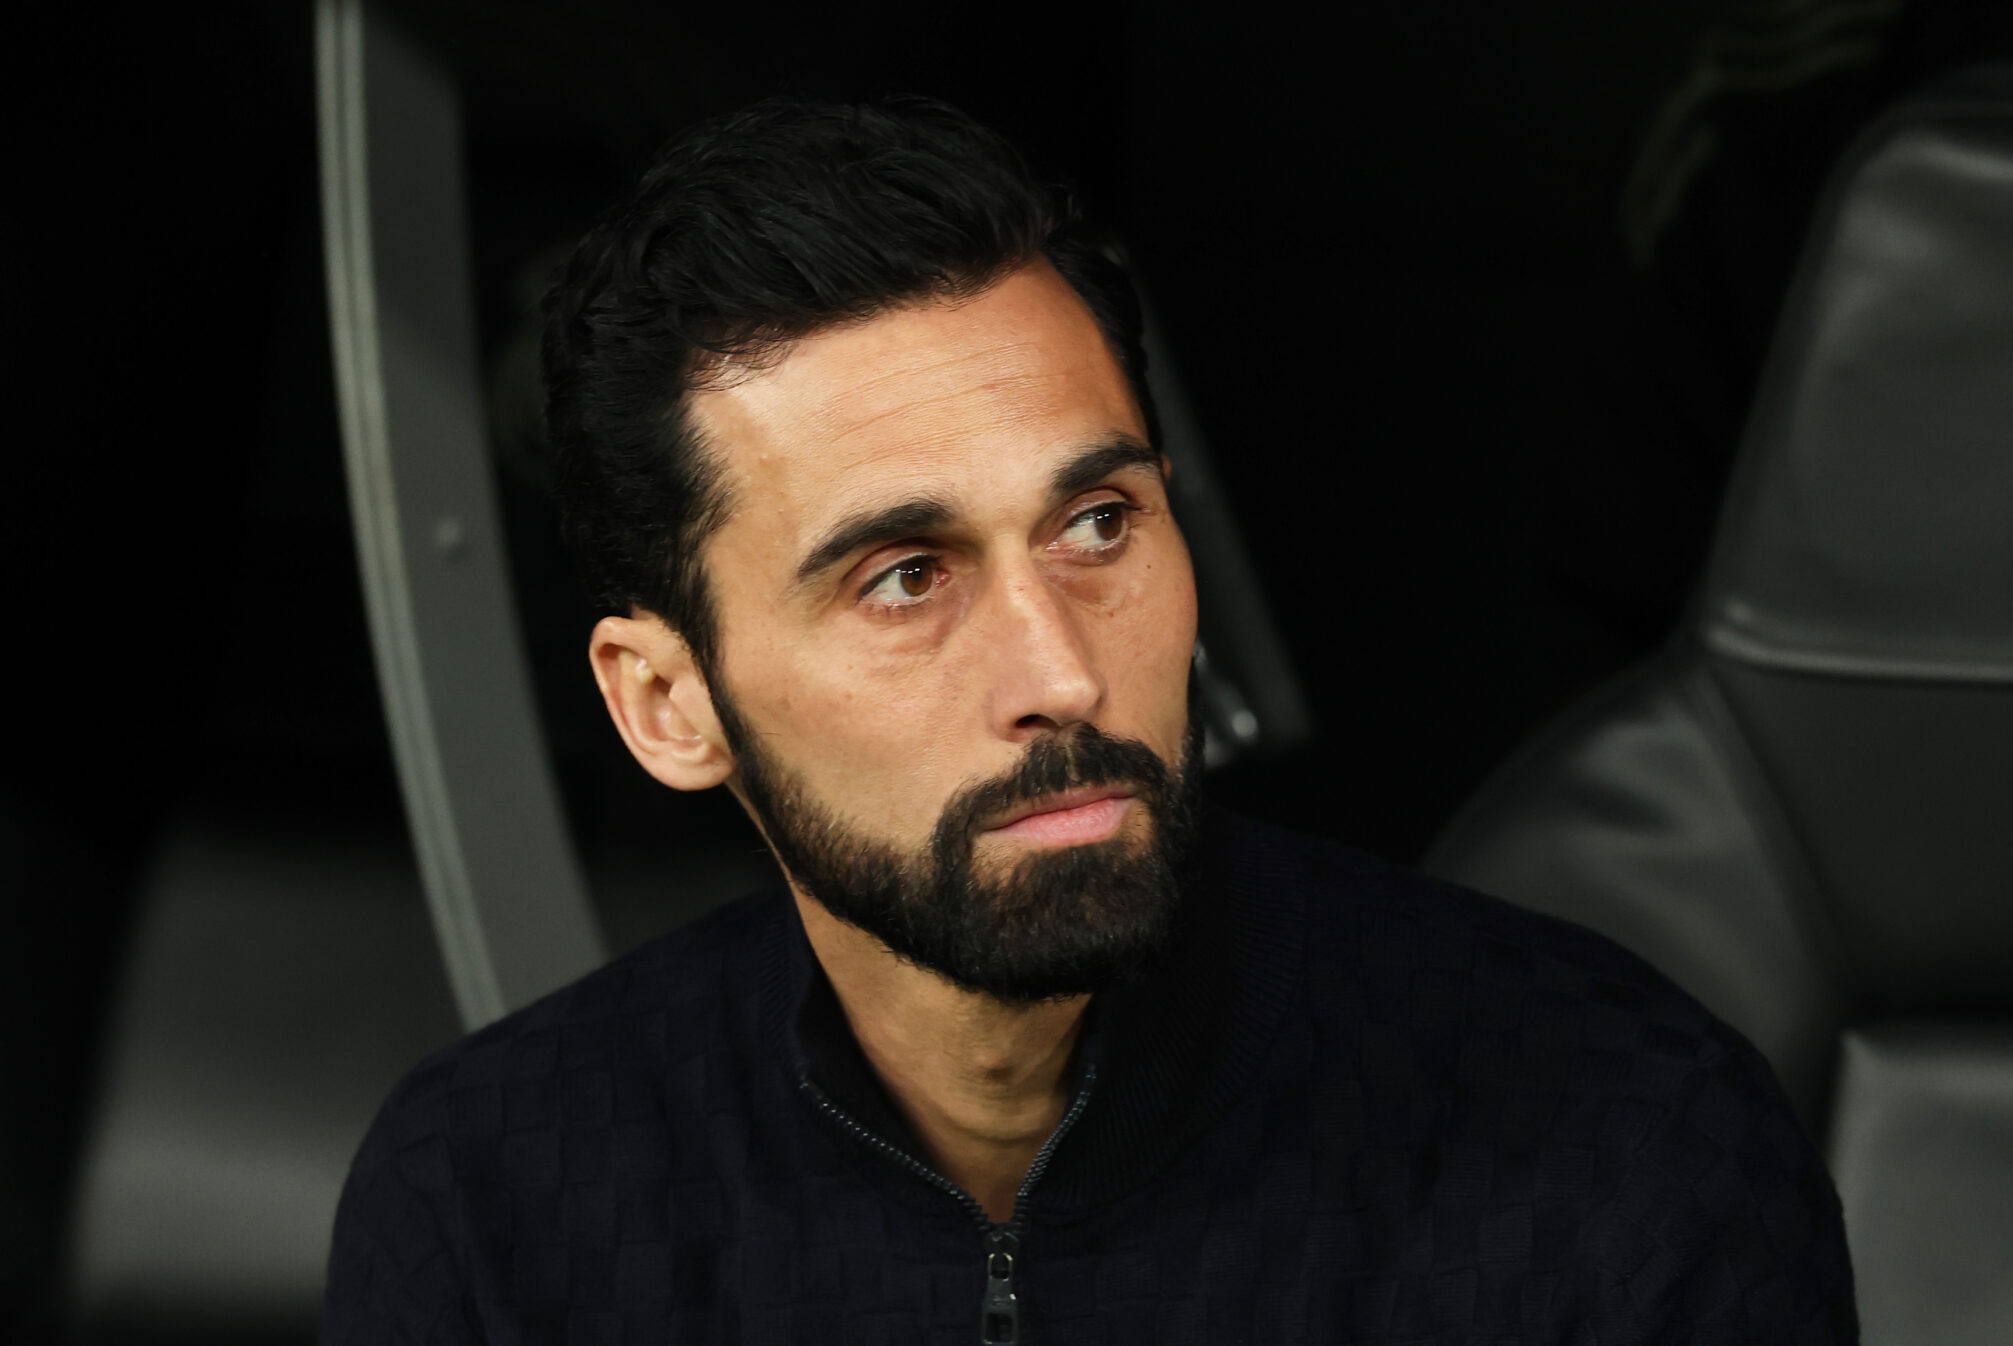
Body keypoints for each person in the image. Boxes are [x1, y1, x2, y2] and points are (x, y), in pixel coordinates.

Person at [323, 97, 1857, 1344]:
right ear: (669, 705)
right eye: (906, 576)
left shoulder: (1623, 1141)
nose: (1059, 667)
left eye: (1100, 525)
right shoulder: (502, 1197)